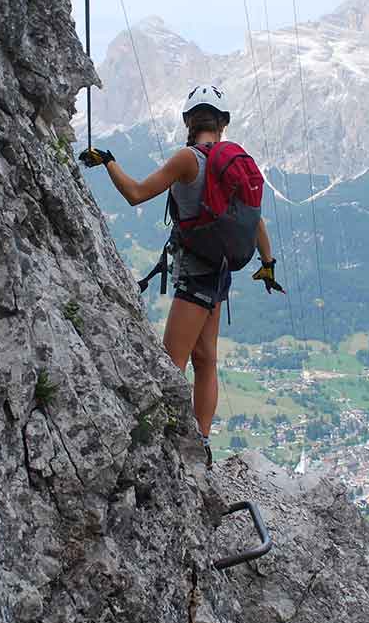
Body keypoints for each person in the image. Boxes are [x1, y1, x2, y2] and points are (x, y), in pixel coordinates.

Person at [79, 85, 284, 466]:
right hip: (221, 274)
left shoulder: (187, 159)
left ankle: (170, 449)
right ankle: (201, 441)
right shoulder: (232, 162)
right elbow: (253, 220)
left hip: (196, 275)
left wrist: (108, 161)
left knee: (171, 364)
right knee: (206, 359)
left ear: (190, 122)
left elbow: (137, 194)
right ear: (222, 124)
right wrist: (267, 263)